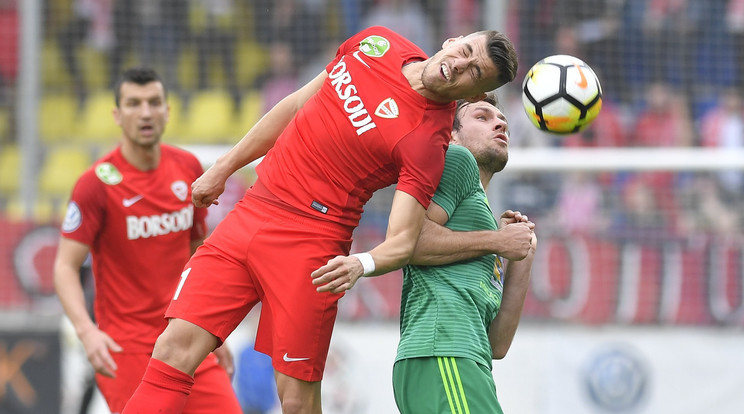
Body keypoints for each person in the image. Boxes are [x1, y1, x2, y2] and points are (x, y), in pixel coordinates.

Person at [123, 26, 521, 414]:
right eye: (466, 51)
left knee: (296, 401)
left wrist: (360, 263)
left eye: (475, 72)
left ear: (476, 93)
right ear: (453, 41)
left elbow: (404, 239)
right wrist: (224, 167)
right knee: (172, 349)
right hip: (254, 210)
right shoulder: (378, 42)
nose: (461, 64)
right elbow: (298, 104)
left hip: (311, 247)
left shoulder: (428, 142)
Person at [53, 68, 242, 414]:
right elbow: (64, 267)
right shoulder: (95, 184)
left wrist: (213, 330)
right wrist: (87, 333)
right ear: (117, 114)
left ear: (168, 111)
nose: (145, 112)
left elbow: (198, 251)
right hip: (127, 350)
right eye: (134, 103)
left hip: (186, 337)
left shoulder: (187, 166)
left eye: (154, 103)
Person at [386, 95, 537, 413]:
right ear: (451, 134)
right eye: (482, 117)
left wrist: (522, 256)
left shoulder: (480, 216)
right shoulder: (456, 159)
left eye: (502, 120)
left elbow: (497, 344)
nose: (500, 123)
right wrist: (497, 241)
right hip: (445, 352)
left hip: (464, 360)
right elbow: (407, 242)